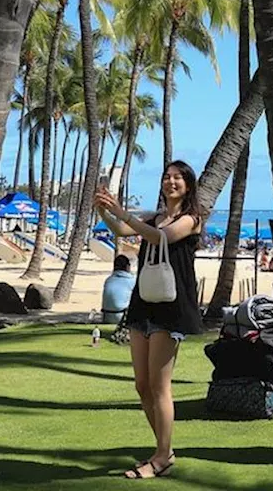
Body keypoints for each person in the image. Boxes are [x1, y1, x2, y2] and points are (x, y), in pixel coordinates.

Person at [94, 161, 204, 479]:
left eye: (177, 178)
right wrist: (104, 211)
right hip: (143, 303)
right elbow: (123, 231)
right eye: (166, 177)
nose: (171, 182)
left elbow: (160, 238)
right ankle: (164, 450)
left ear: (188, 184)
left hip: (172, 307)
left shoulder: (191, 219)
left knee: (159, 386)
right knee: (142, 385)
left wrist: (122, 210)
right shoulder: (154, 216)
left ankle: (160, 457)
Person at [102, 254, 136, 324]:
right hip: (122, 316)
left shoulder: (108, 280)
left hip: (107, 316)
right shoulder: (132, 280)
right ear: (127, 267)